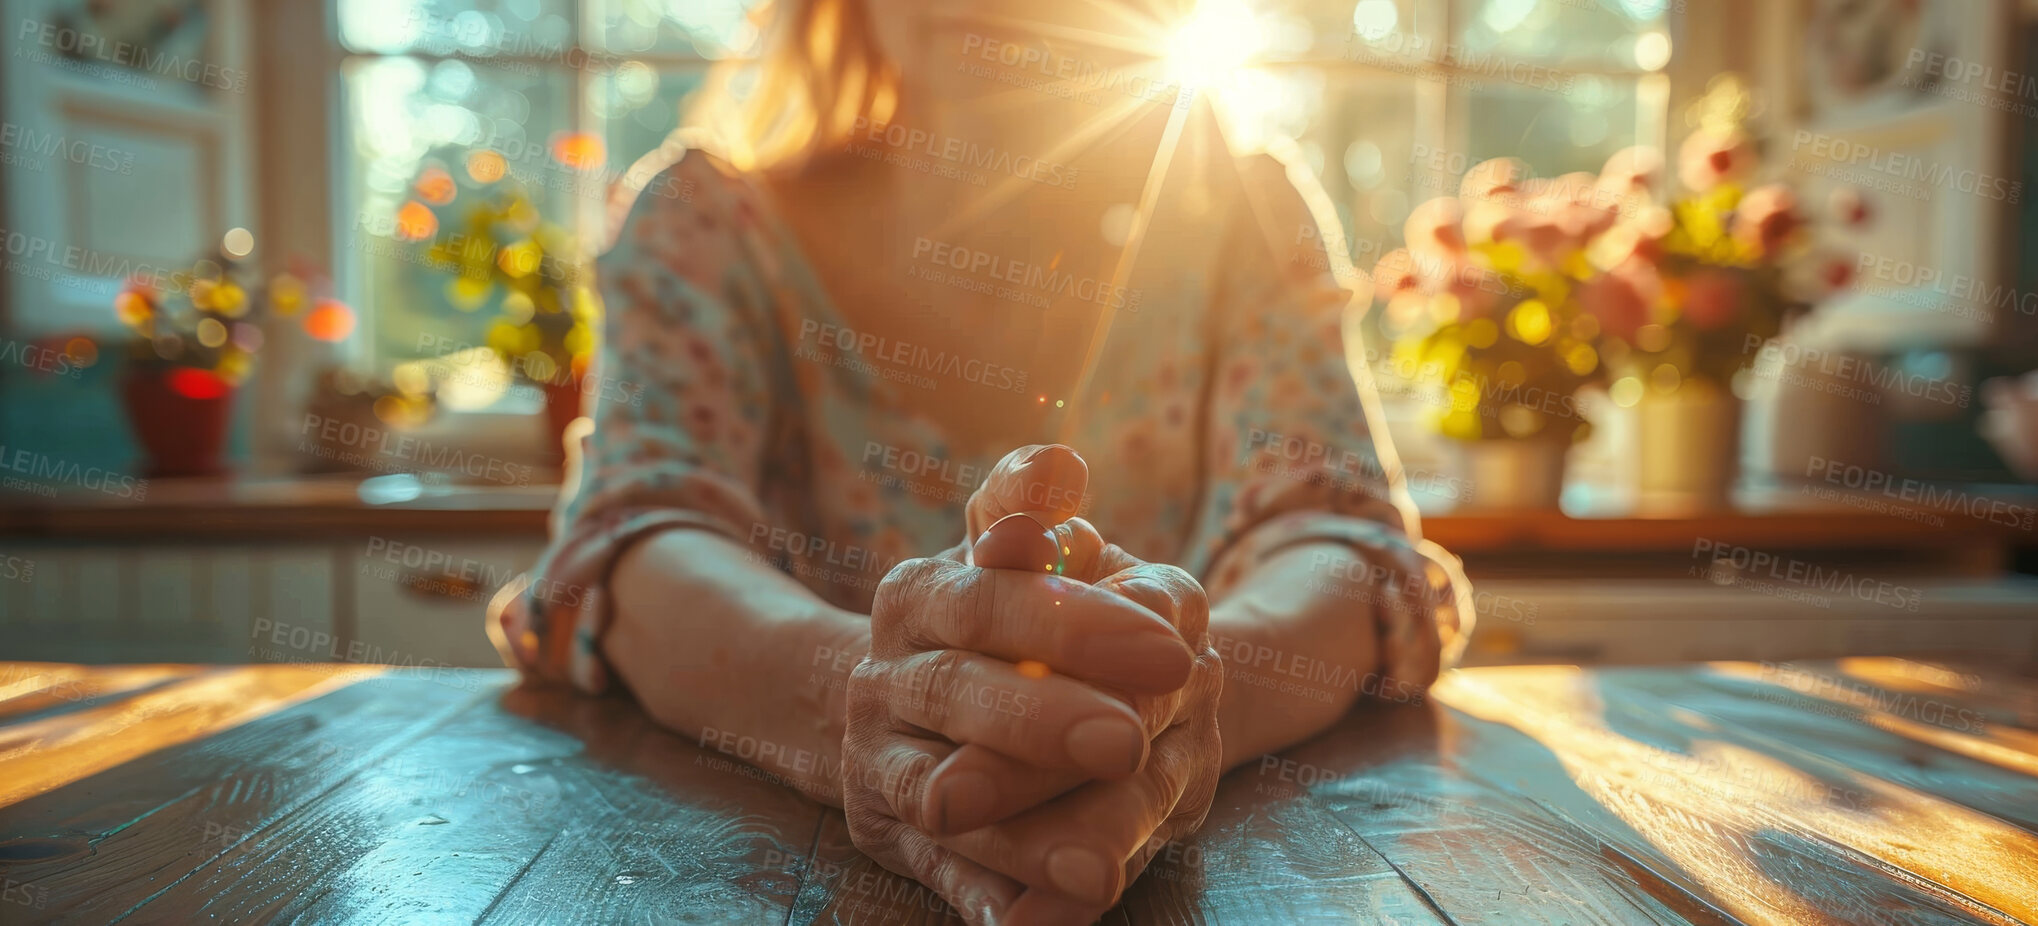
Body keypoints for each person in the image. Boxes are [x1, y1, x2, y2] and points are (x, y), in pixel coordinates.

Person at [488, 0, 1473, 921]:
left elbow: (1340, 540)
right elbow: (635, 541)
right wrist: (878, 704)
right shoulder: (709, 219)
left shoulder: (1240, 216)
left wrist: (1162, 711)